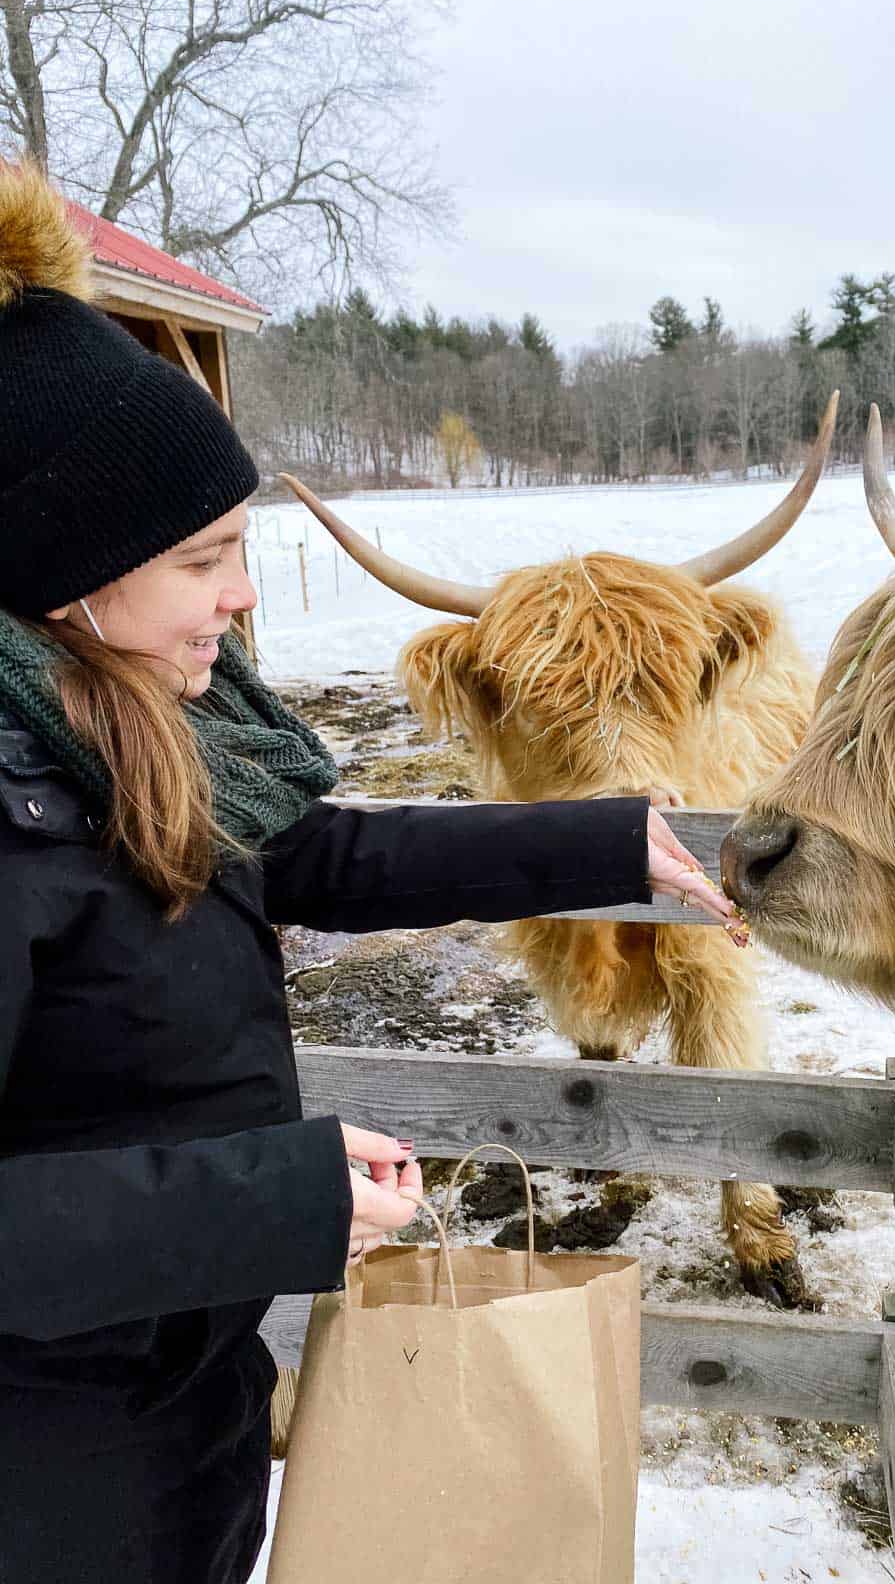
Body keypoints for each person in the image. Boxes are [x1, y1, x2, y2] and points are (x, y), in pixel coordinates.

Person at [0, 160, 737, 1583]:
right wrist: (277, 1199)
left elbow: (312, 854)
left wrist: (598, 835)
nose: (246, 594)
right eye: (208, 556)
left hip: (174, 1395)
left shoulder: (113, 727)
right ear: (66, 568)